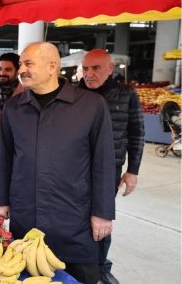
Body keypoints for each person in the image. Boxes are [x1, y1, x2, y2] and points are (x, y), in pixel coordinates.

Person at [0, 42, 116, 284]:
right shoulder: (14, 108)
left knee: (79, 278)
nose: (21, 70)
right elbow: (5, 156)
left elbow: (103, 161)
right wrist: (0, 200)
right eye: (20, 64)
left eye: (28, 64)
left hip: (74, 218)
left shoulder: (90, 105)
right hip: (26, 214)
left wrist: (102, 213)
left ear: (52, 66)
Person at [79, 49, 145, 284]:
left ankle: (100, 266)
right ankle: (78, 263)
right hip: (75, 169)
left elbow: (136, 133)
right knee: (76, 217)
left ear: (110, 69)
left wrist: (133, 171)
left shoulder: (126, 94)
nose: (89, 74)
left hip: (110, 170)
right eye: (85, 68)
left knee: (102, 217)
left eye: (95, 68)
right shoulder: (74, 94)